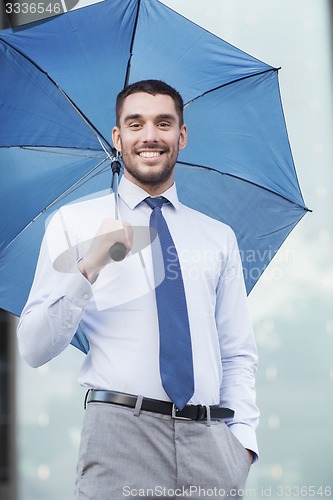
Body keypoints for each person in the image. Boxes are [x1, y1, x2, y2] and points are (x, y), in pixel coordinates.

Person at [17, 80, 259, 499]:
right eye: (135, 124)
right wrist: (89, 264)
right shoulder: (74, 224)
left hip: (211, 444)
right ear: (118, 137)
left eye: (163, 123)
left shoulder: (218, 236)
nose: (150, 136)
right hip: (120, 439)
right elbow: (34, 347)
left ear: (181, 135)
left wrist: (242, 445)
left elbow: (236, 351)